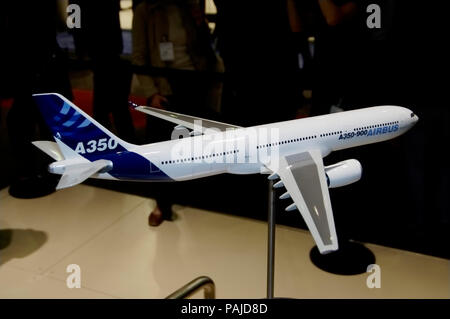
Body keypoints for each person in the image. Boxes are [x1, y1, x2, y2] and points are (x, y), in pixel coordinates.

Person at [132, 0, 223, 226]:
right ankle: (162, 203)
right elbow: (138, 56)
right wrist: (151, 92)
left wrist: (200, 23)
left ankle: (192, 197)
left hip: (194, 81)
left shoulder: (189, 6)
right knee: (163, 148)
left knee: (195, 145)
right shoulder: (146, 10)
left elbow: (205, 48)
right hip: (165, 85)